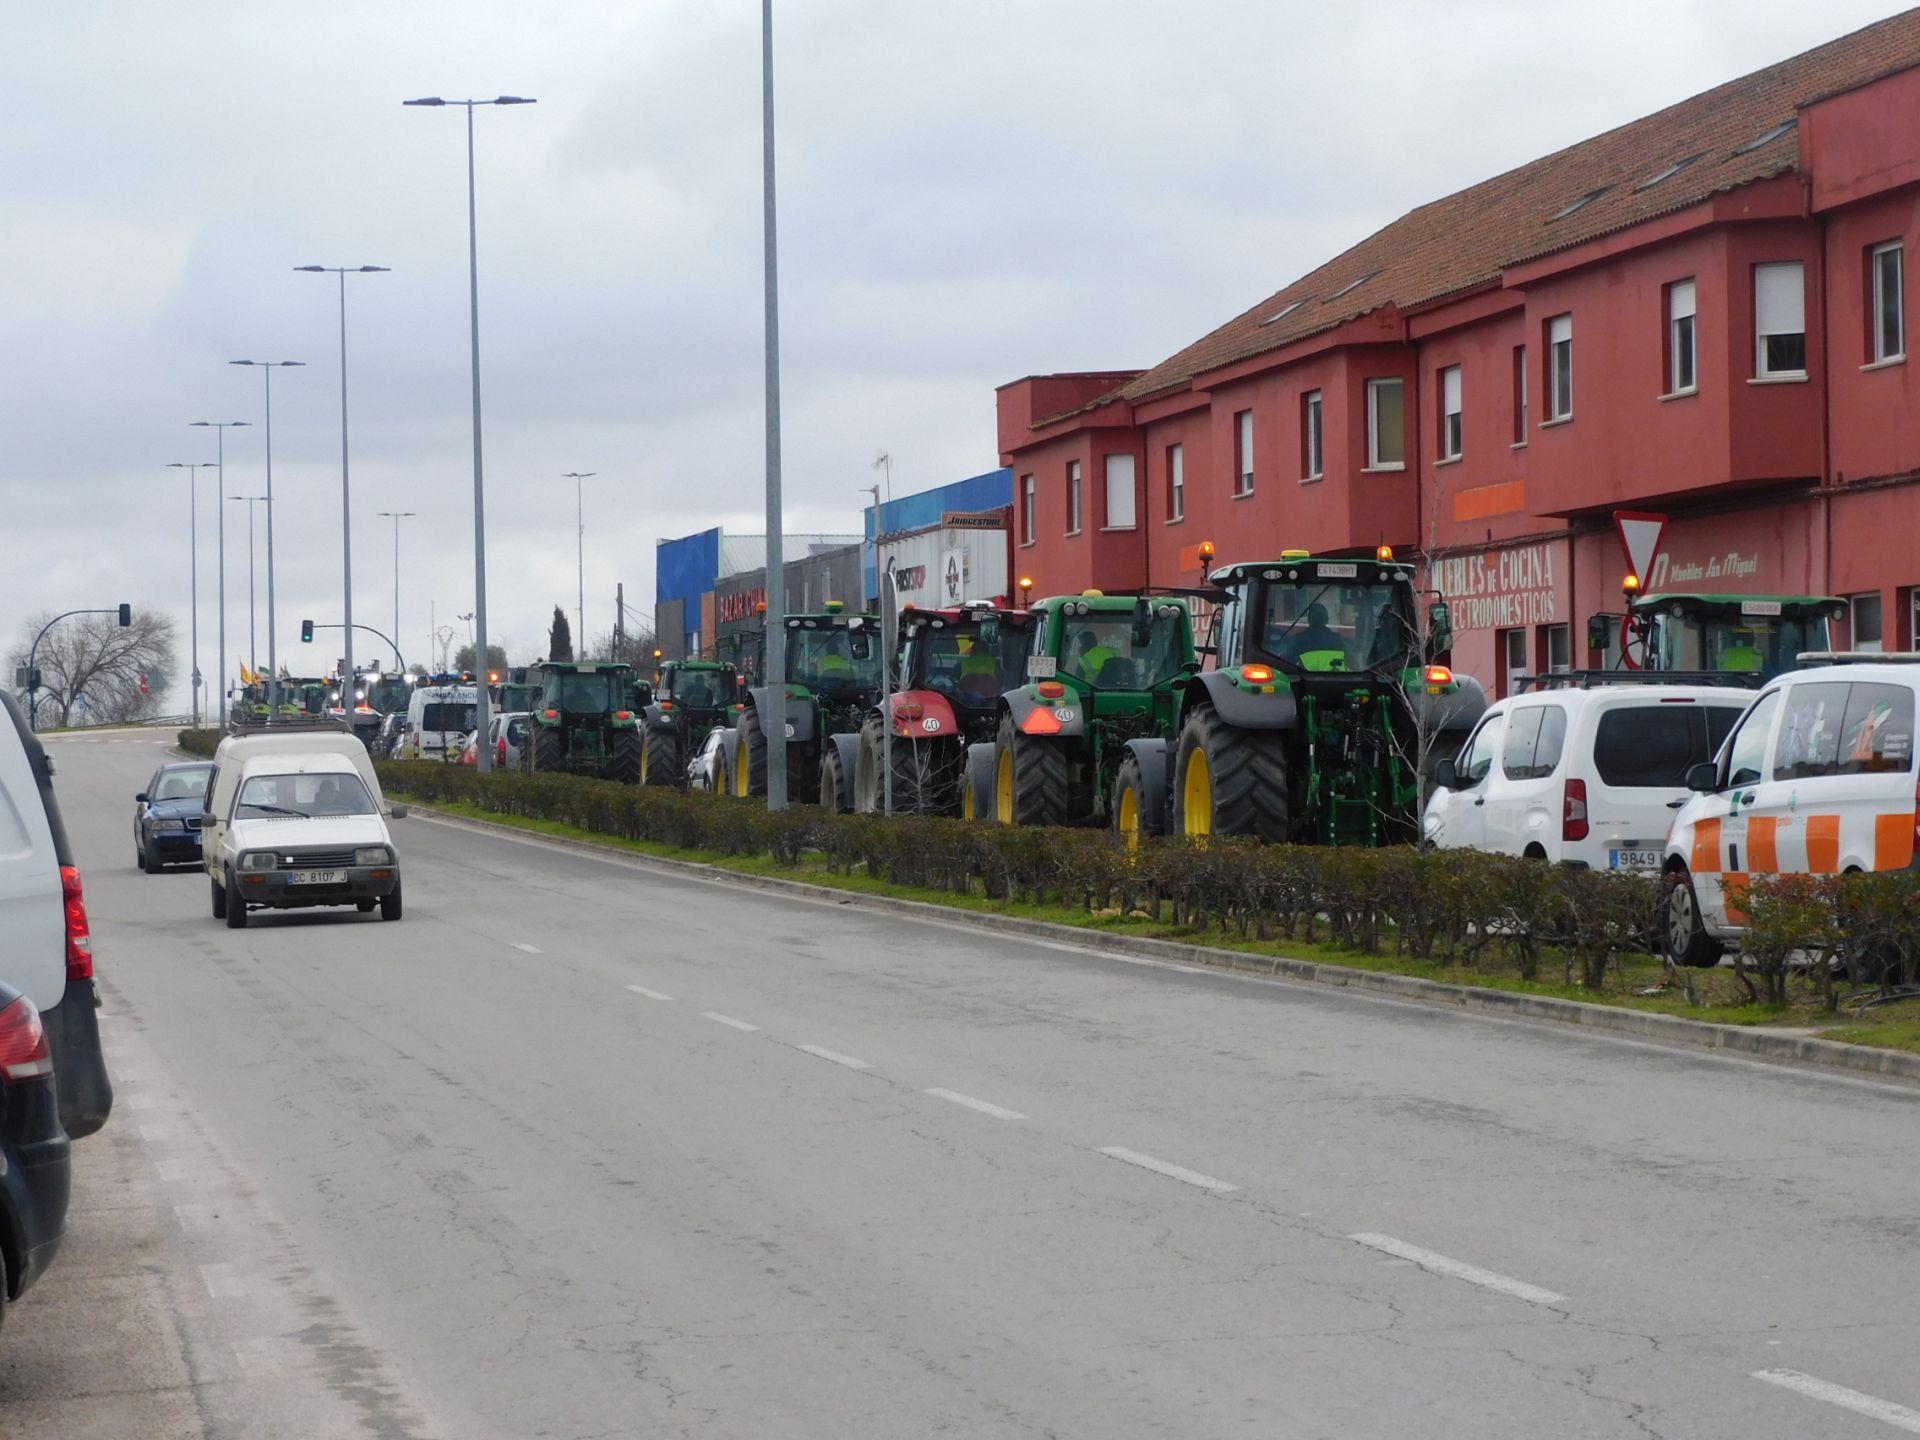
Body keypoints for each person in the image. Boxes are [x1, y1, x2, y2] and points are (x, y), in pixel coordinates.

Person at [1279, 602, 1344, 663]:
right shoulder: (1337, 640)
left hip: (1304, 675)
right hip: (1333, 675)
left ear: (1309, 620)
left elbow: (1283, 662)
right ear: (1327, 620)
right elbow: (1352, 662)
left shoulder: (1299, 640)